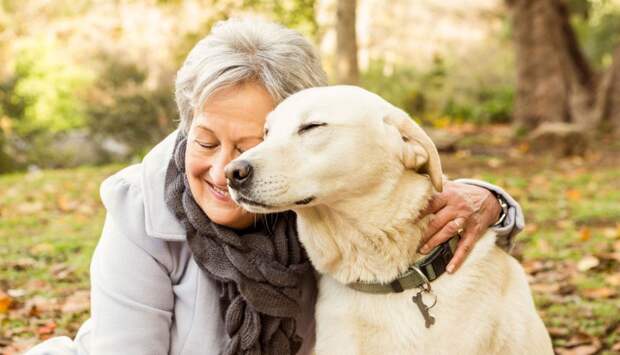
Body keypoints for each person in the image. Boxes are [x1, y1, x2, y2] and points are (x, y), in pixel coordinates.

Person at [25, 18, 524, 355]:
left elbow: (390, 173)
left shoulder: (314, 199)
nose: (228, 169)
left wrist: (492, 201)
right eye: (204, 141)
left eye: (252, 142)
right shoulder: (141, 206)